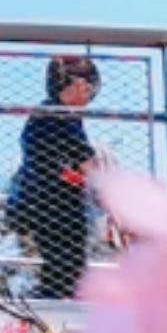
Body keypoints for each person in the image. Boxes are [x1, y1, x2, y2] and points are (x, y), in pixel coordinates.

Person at [10, 55, 100, 299]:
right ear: (77, 83)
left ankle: (50, 311)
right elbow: (83, 159)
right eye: (90, 86)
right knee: (66, 271)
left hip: (52, 202)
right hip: (53, 205)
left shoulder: (53, 113)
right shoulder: (57, 115)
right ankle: (50, 318)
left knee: (62, 270)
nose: (90, 94)